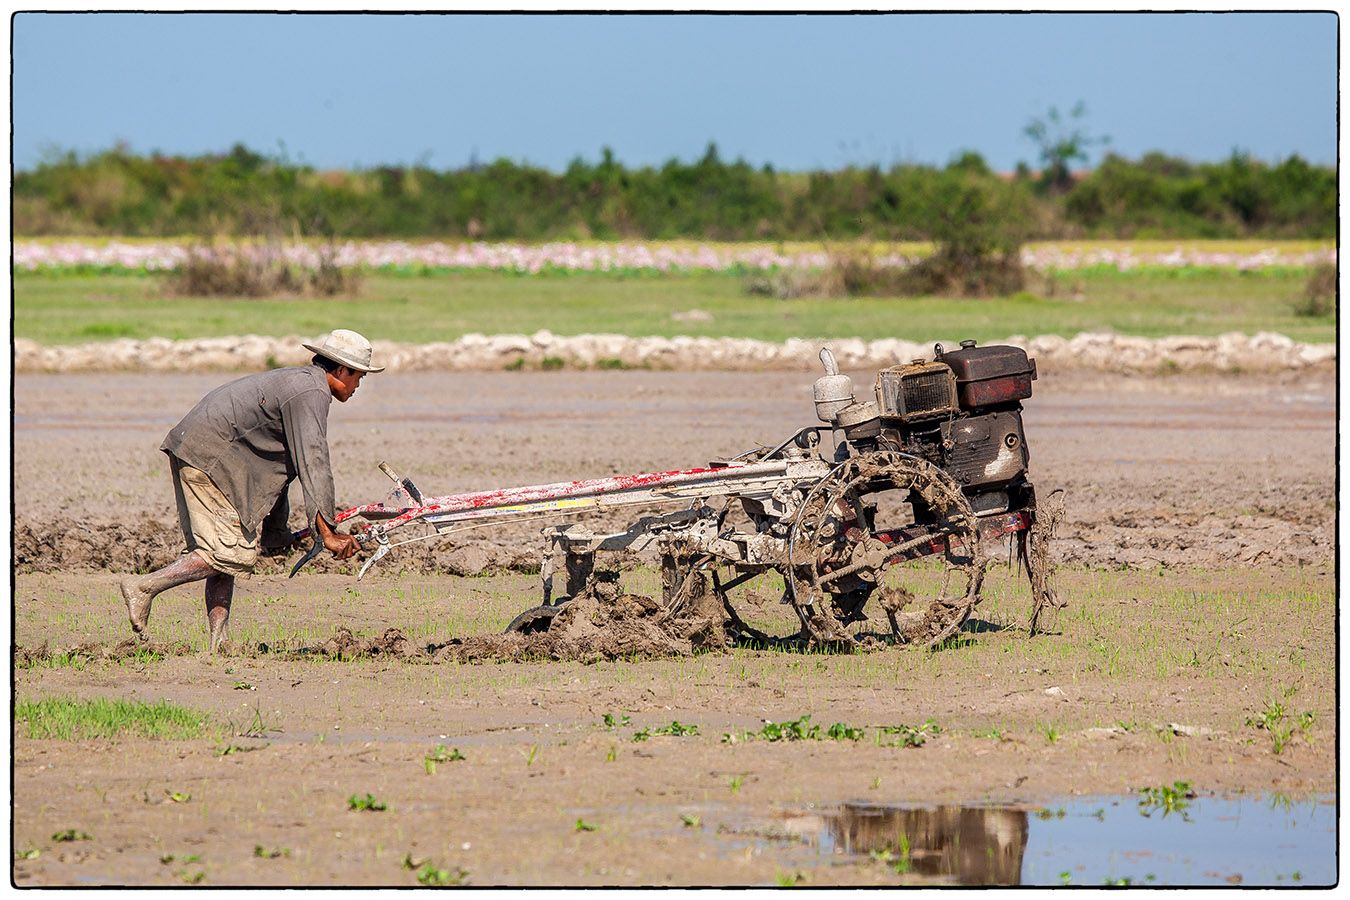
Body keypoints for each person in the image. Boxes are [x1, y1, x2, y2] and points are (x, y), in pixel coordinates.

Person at [119, 329, 384, 652]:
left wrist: (277, 531)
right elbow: (313, 461)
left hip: (200, 449)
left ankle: (219, 643)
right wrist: (328, 533)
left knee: (223, 554)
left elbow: (286, 465)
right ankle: (144, 586)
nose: (358, 386)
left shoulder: (299, 383)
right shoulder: (310, 392)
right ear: (342, 370)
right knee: (227, 554)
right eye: (359, 377)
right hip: (211, 456)